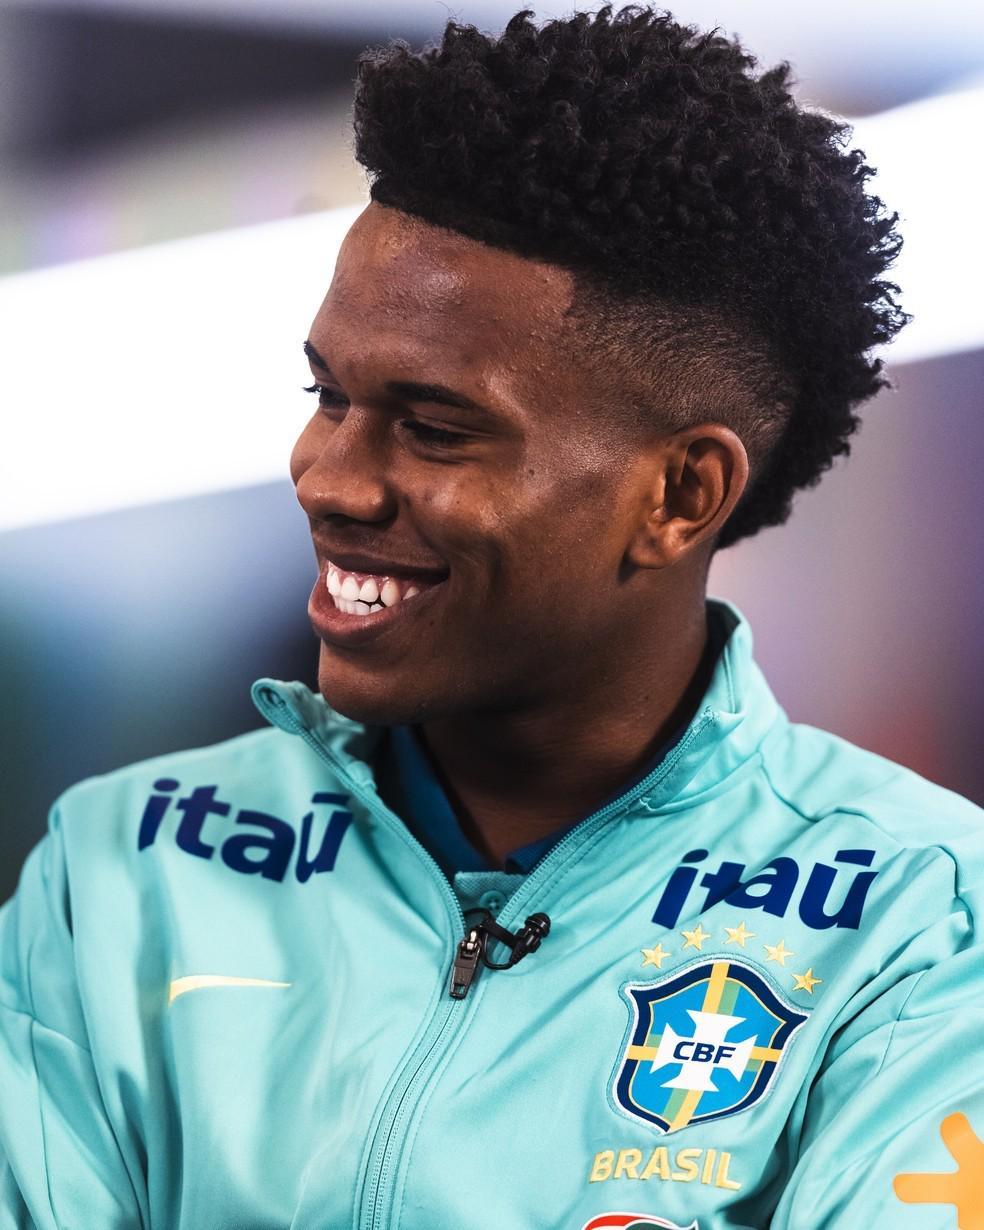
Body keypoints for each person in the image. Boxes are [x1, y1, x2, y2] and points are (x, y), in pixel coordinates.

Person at [1, 5, 981, 1228]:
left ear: (681, 495)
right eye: (328, 395)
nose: (329, 479)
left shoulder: (921, 921)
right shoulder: (127, 866)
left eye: (432, 429)